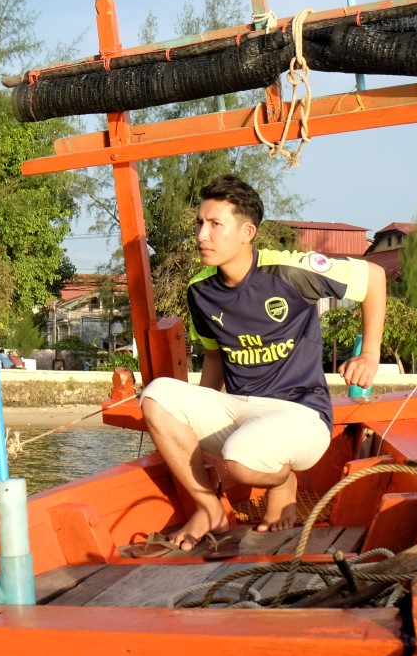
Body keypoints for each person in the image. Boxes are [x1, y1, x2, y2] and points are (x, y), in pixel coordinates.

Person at [141, 174, 385, 549]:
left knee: (239, 461)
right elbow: (214, 355)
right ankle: (209, 509)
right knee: (156, 395)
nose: (202, 235)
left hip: (301, 413)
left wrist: (369, 353)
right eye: (200, 223)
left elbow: (374, 276)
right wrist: (198, 412)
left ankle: (283, 480)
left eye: (215, 224)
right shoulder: (200, 290)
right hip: (241, 409)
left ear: (247, 232)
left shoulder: (289, 271)